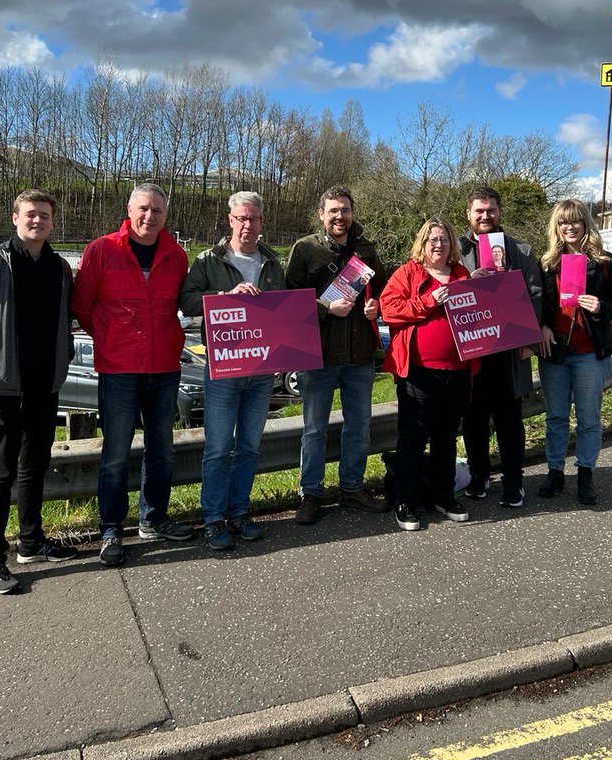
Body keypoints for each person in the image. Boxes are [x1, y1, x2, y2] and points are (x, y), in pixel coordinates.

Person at [0, 190, 78, 594]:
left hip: (45, 387)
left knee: (35, 467)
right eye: (31, 214)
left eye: (44, 216)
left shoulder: (60, 268)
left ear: (52, 222)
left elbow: (65, 324)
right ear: (14, 218)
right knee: (1, 473)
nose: (38, 221)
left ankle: (31, 543)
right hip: (4, 389)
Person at [71, 182, 193, 567]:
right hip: (119, 369)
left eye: (156, 210)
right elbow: (82, 305)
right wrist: (110, 339)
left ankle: (153, 519)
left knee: (162, 451)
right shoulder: (102, 250)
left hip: (165, 368)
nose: (149, 216)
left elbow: (183, 304)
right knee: (115, 454)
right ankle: (110, 530)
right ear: (129, 210)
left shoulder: (177, 256)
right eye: (143, 208)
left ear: (165, 215)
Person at [179, 191, 286, 550]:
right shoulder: (209, 260)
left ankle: (239, 511)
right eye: (241, 218)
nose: (247, 224)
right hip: (223, 367)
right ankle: (213, 519)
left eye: (253, 218)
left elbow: (282, 310)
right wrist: (227, 296)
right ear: (230, 220)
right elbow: (188, 301)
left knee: (250, 448)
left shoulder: (272, 261)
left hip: (261, 370)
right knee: (218, 447)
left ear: (261, 222)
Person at [285, 186, 386, 524]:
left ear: (352, 213)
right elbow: (289, 302)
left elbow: (384, 292)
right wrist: (327, 308)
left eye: (344, 210)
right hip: (319, 355)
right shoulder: (305, 249)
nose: (339, 216)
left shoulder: (366, 250)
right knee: (314, 429)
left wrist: (376, 305)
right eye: (333, 211)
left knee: (359, 425)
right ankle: (310, 493)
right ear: (321, 215)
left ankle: (352, 488)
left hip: (359, 356)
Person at [379, 217, 477, 532]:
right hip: (418, 372)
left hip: (458, 370)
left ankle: (444, 495)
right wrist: (428, 301)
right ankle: (405, 501)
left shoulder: (463, 275)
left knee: (447, 438)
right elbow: (389, 310)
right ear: (422, 244)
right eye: (432, 239)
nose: (438, 244)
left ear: (453, 245)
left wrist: (487, 288)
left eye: (444, 239)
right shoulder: (408, 273)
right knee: (413, 438)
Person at [537, 198, 612, 505]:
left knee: (589, 417)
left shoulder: (605, 262)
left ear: (585, 223)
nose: (569, 227)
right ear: (556, 227)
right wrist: (543, 326)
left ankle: (586, 472)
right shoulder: (547, 263)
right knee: (556, 416)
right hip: (556, 353)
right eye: (563, 222)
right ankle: (555, 472)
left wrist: (601, 307)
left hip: (590, 353)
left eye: (575, 221)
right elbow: (538, 304)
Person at [459, 185, 543, 509]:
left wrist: (528, 340)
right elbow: (447, 292)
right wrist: (468, 280)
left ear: (500, 212)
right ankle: (480, 477)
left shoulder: (521, 251)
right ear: (469, 214)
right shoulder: (455, 249)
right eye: (479, 211)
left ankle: (513, 482)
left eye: (490, 210)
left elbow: (536, 296)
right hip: (473, 353)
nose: (485, 215)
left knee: (510, 421)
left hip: (509, 353)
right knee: (474, 419)